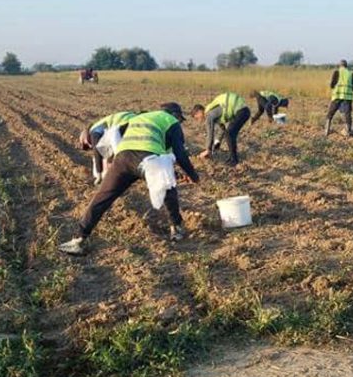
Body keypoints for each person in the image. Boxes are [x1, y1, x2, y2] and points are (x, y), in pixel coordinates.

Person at [58, 103, 199, 255]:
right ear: (175, 115)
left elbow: (117, 134)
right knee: (167, 188)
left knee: (103, 197)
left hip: (123, 159)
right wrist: (194, 176)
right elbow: (180, 154)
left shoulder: (142, 117)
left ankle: (79, 239)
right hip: (147, 158)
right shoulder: (172, 122)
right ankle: (176, 228)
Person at [191, 92, 251, 165]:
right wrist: (217, 143)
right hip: (243, 111)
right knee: (228, 133)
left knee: (230, 133)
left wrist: (208, 150)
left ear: (199, 112)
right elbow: (221, 129)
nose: (199, 121)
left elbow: (210, 132)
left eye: (197, 118)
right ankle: (232, 158)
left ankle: (234, 160)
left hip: (242, 111)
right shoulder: (213, 112)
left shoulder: (209, 114)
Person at [78, 110, 136, 184]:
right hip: (135, 120)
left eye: (86, 144)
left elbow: (97, 150)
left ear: (85, 136)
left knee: (111, 145)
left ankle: (123, 168)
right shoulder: (101, 127)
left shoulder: (94, 131)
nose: (90, 145)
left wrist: (99, 173)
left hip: (126, 123)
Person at [325, 59, 353, 137]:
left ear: (339, 66)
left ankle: (327, 130)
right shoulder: (350, 73)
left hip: (337, 96)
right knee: (347, 114)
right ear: (346, 66)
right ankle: (348, 131)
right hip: (347, 97)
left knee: (330, 113)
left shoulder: (336, 72)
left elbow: (332, 85)